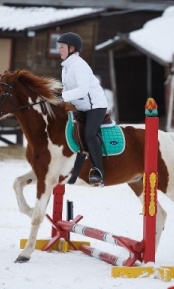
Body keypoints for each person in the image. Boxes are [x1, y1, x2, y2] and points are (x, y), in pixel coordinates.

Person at [57, 32, 108, 187]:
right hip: (81, 107)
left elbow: (83, 89)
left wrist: (63, 96)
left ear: (72, 48)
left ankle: (98, 171)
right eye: (59, 47)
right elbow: (67, 90)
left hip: (95, 106)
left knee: (89, 133)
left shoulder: (79, 65)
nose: (59, 50)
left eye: (62, 47)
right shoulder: (66, 67)